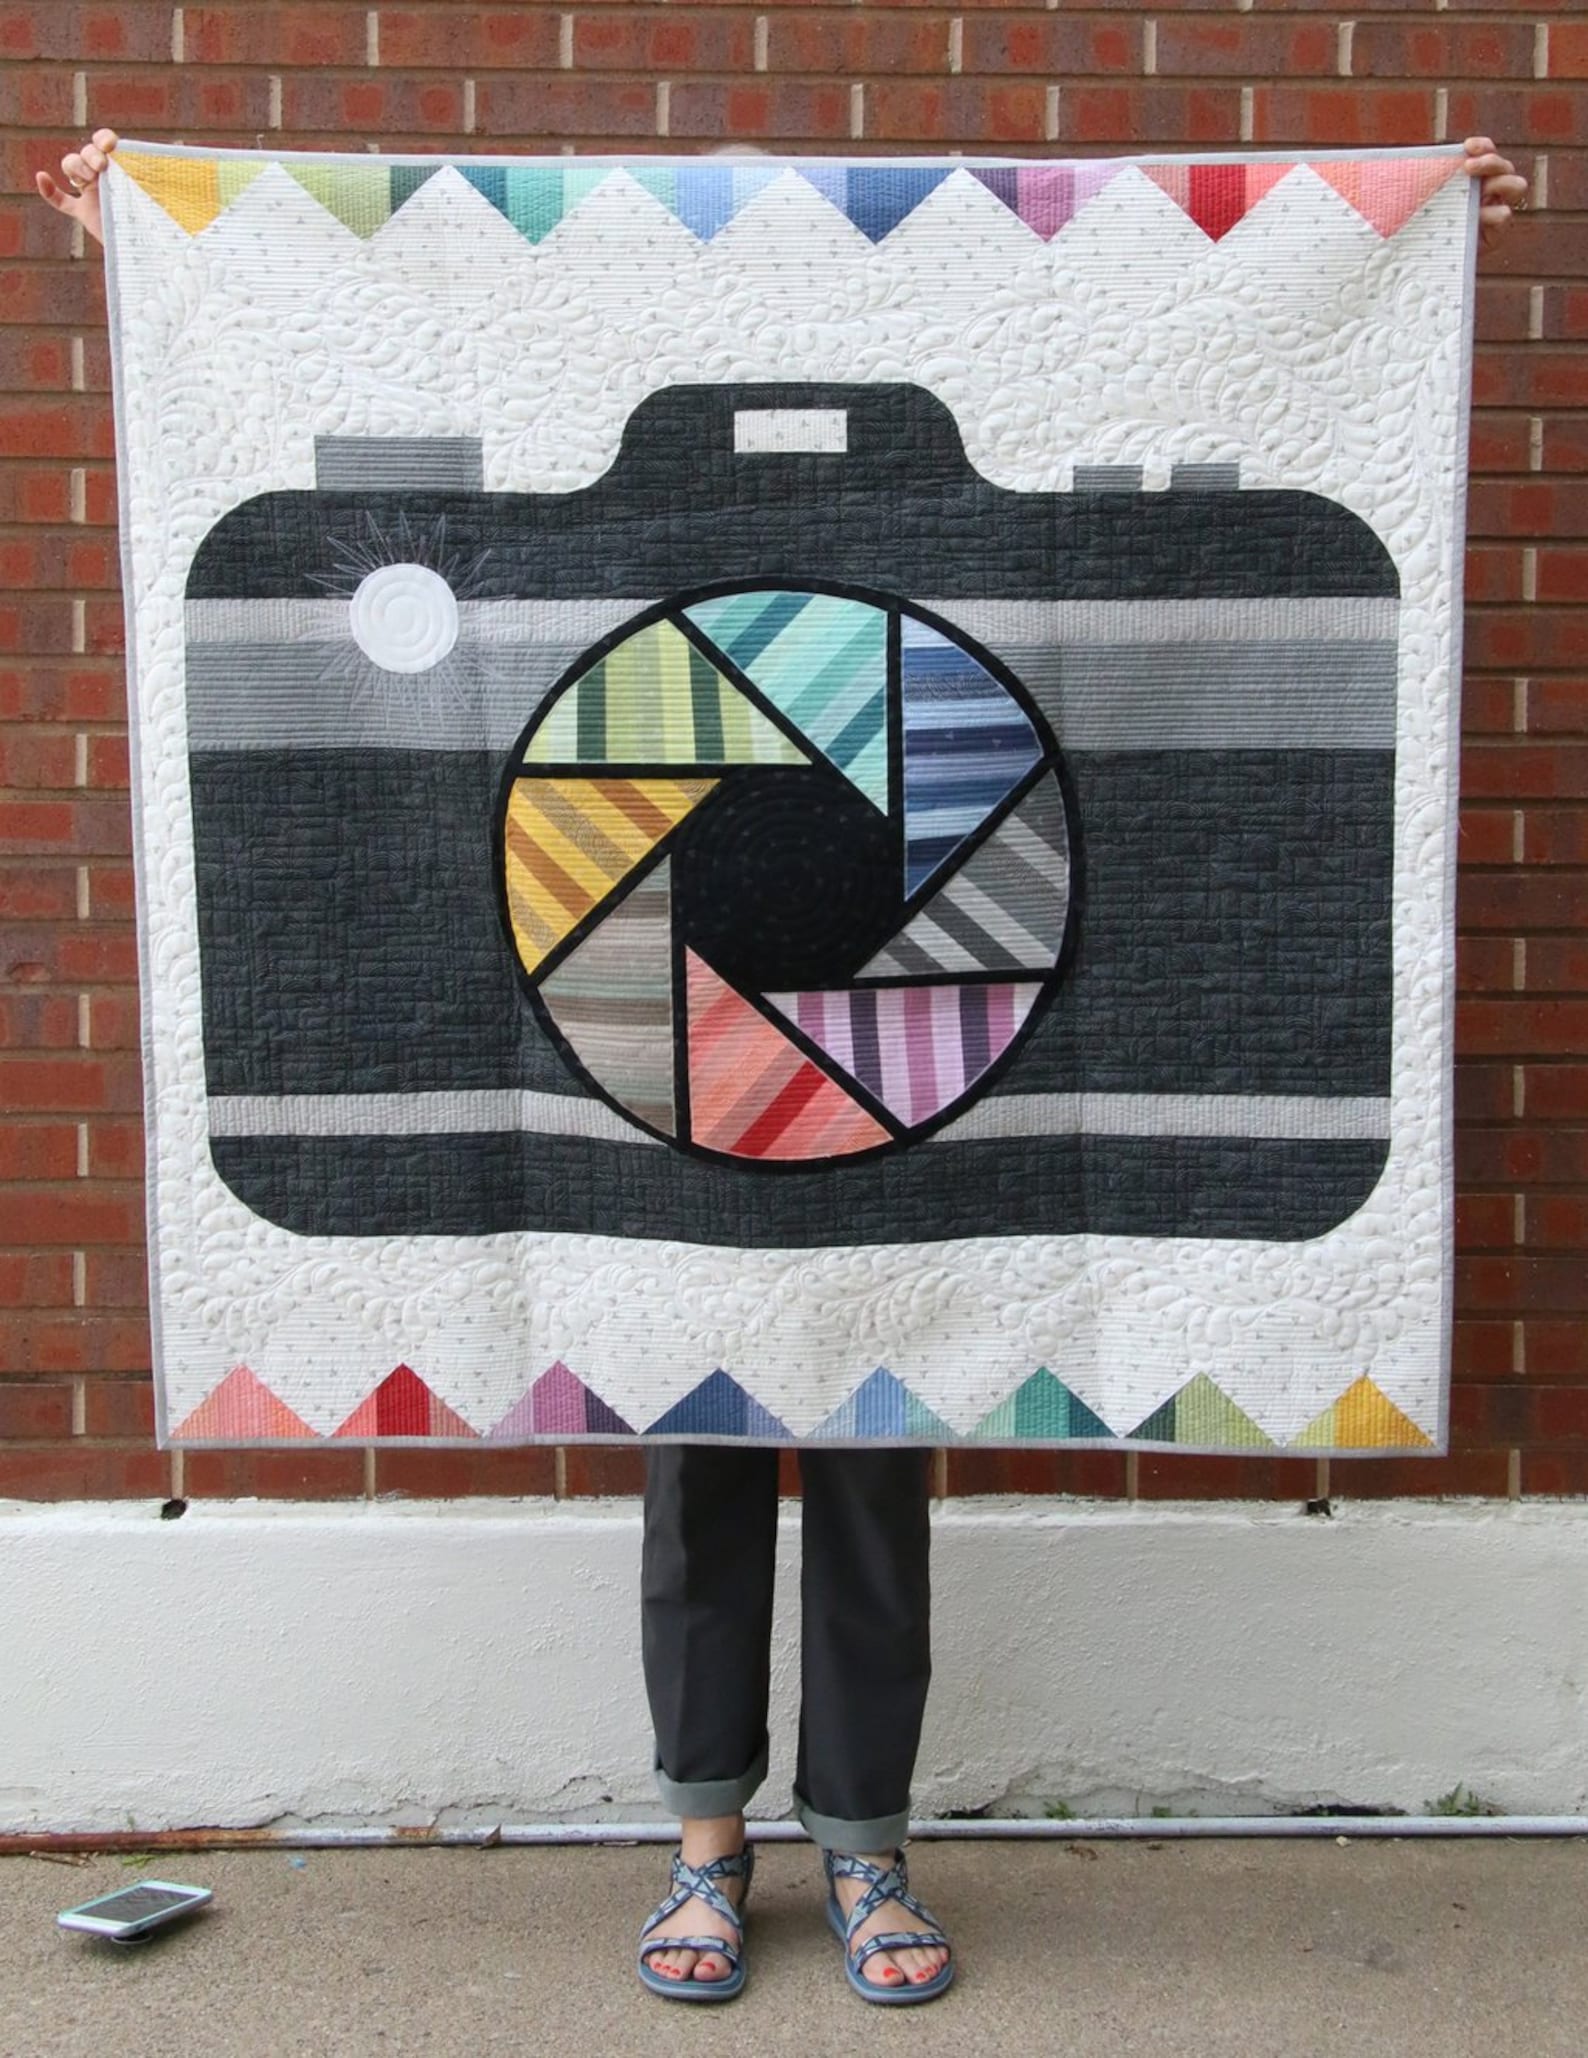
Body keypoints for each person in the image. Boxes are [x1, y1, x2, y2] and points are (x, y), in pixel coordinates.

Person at [40, 126, 1528, 2007]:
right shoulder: (667, 626)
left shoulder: (919, 588)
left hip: (870, 1086)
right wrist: (164, 235)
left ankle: (867, 1843)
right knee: (697, 1461)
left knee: (884, 1460)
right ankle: (703, 1841)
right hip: (679, 1086)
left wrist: (1408, 216)